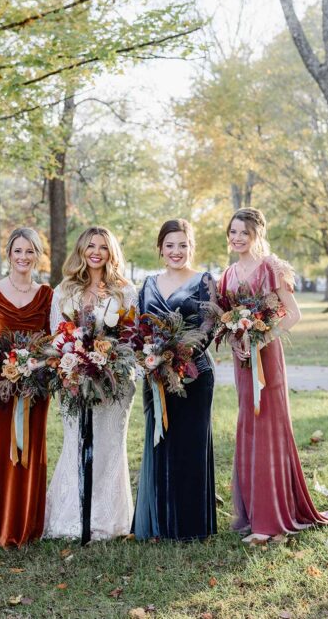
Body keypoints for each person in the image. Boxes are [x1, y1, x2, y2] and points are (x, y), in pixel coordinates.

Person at [219, 207, 328, 542]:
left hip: (267, 359)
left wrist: (260, 337)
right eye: (233, 232)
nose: (237, 238)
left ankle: (272, 524)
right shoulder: (228, 275)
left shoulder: (271, 268)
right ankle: (256, 513)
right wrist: (236, 339)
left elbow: (293, 314)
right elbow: (226, 319)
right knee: (249, 428)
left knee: (268, 428)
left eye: (244, 232)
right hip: (243, 361)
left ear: (258, 233)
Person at [43, 226, 137, 540]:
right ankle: (71, 519)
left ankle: (108, 520)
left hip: (115, 383)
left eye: (103, 247)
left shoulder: (125, 291)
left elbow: (131, 339)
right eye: (90, 246)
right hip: (74, 376)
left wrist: (109, 362)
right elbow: (57, 337)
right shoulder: (65, 290)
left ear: (112, 253)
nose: (96, 252)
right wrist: (75, 363)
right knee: (76, 442)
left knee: (110, 445)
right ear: (81, 250)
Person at [133, 219, 217, 541]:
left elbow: (209, 326)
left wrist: (178, 356)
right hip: (156, 374)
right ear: (160, 248)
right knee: (161, 443)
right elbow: (141, 328)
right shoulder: (149, 283)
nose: (176, 251)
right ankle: (159, 525)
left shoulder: (204, 281)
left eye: (182, 245)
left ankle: (191, 527)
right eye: (170, 245)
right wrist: (153, 357)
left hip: (194, 375)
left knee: (190, 447)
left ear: (191, 246)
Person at [0, 228, 53, 548]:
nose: (23, 257)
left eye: (30, 251)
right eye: (18, 250)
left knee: (30, 453)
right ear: (8, 253)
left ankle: (26, 527)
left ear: (37, 255)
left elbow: (50, 338)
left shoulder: (47, 294)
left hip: (35, 386)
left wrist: (34, 365)